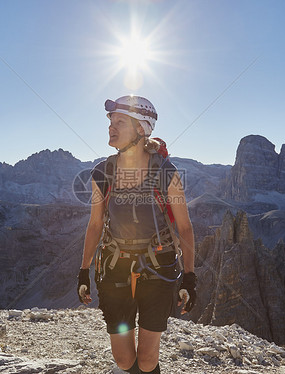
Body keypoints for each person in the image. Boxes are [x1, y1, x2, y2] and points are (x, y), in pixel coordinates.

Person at [78, 95, 197, 374]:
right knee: (123, 359)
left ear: (141, 129)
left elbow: (185, 227)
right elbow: (95, 225)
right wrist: (83, 271)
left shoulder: (166, 172)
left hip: (159, 267)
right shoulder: (102, 172)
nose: (111, 127)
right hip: (115, 267)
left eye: (120, 121)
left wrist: (190, 278)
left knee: (146, 359)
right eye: (110, 121)